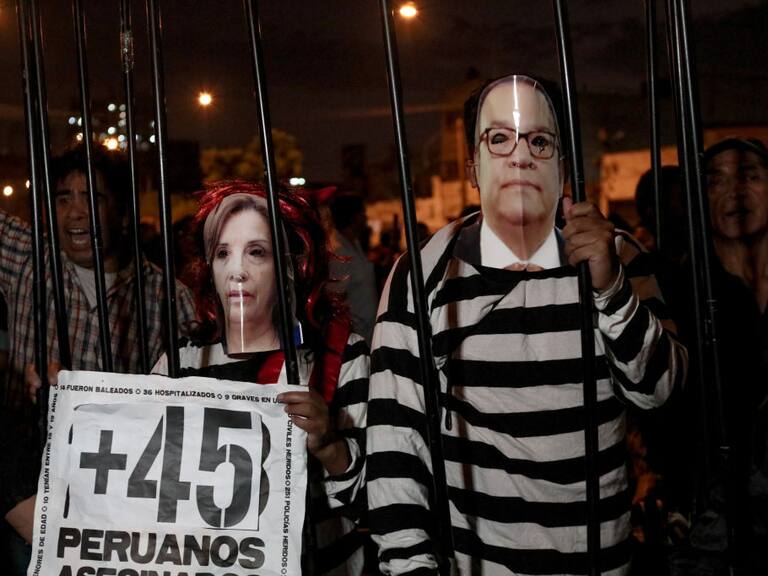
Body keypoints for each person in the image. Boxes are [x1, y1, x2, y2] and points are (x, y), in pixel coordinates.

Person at [366, 74, 687, 575]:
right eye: (498, 139)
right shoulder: (424, 271)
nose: (520, 156)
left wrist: (610, 286)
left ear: (563, 162)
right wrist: (410, 564)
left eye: (539, 140)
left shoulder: (615, 252)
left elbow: (660, 390)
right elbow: (395, 432)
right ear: (473, 165)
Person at [152, 181, 370, 575]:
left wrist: (330, 446)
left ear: (291, 266)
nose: (237, 271)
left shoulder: (342, 355)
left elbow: (383, 498)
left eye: (256, 252)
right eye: (222, 253)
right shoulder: (180, 361)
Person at [2, 144, 197, 555]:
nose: (76, 212)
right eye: (62, 198)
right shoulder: (28, 259)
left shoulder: (167, 298)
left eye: (93, 198)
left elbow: (187, 410)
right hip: (29, 492)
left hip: (117, 506)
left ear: (123, 212)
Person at [327, 193, 378, 345]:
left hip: (367, 328)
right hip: (355, 334)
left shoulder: (354, 244)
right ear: (354, 217)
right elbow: (335, 296)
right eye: (363, 213)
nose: (366, 218)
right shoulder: (338, 252)